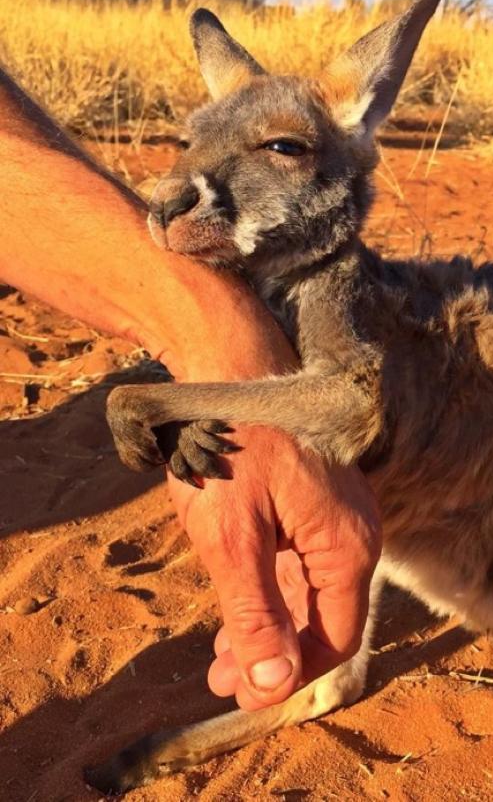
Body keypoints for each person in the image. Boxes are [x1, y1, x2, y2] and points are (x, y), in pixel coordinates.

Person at [0, 65, 380, 712]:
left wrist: (184, 393)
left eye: (282, 149)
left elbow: (353, 399)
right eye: (191, 145)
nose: (168, 189)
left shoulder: (335, 283)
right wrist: (195, 369)